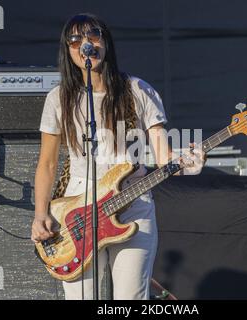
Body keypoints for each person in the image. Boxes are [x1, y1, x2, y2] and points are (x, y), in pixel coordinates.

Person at [31, 13, 205, 300]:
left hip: (132, 204)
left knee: (131, 299)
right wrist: (40, 214)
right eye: (76, 39)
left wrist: (187, 162)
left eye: (93, 35)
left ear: (106, 42)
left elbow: (164, 157)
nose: (86, 44)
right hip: (77, 210)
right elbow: (47, 164)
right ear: (68, 49)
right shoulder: (58, 98)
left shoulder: (138, 90)